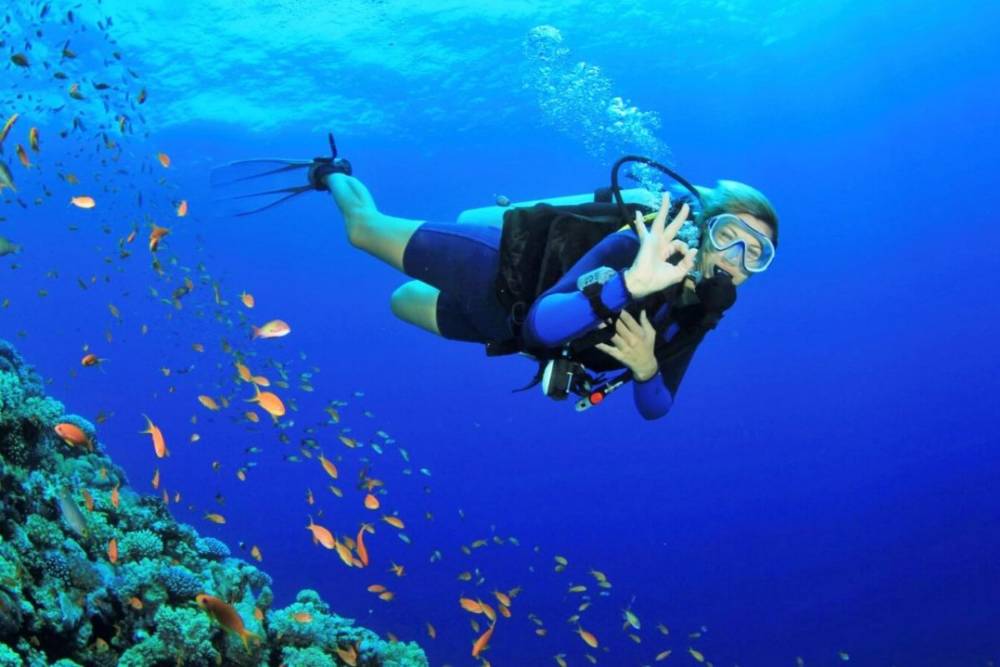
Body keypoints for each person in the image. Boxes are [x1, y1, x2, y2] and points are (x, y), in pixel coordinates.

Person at [317, 166, 779, 420]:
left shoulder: (696, 314)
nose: (736, 258)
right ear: (703, 231)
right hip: (500, 269)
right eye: (728, 236)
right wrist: (631, 283)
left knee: (400, 301)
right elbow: (544, 320)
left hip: (501, 327)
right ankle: (331, 172)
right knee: (362, 230)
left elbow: (657, 407)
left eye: (755, 254)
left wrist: (647, 367)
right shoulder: (636, 245)